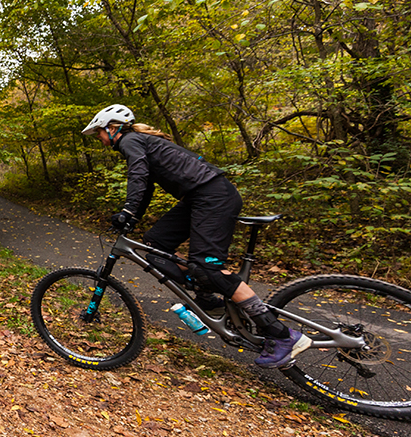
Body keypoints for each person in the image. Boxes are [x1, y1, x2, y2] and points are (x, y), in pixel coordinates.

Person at [81, 103, 311, 368]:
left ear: (112, 128)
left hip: (212, 196)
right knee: (156, 245)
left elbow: (139, 175)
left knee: (207, 268)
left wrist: (127, 210)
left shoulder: (130, 140)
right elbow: (146, 188)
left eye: (99, 132)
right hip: (199, 196)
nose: (99, 139)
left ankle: (283, 336)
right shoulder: (141, 141)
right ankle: (208, 300)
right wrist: (132, 217)